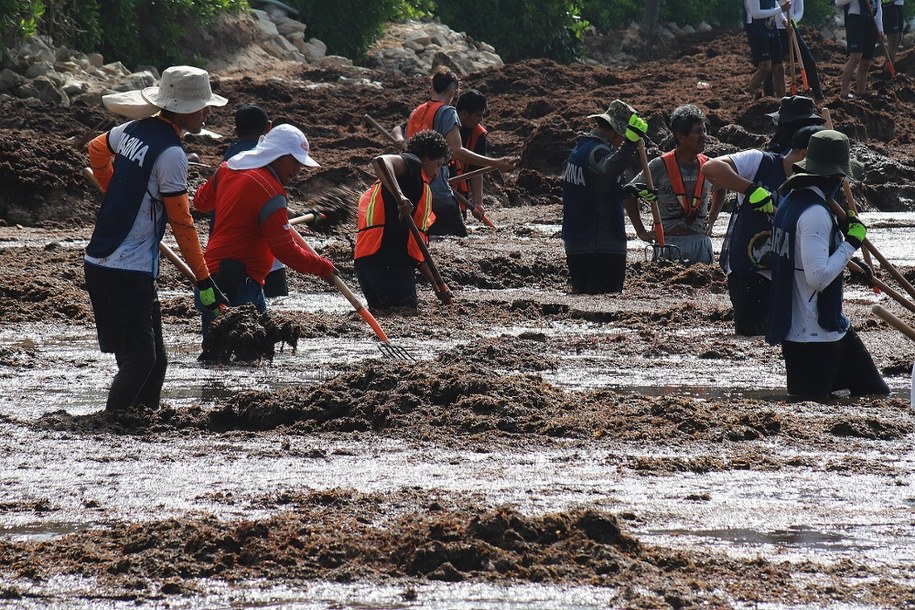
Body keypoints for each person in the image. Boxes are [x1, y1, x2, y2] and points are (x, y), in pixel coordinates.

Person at [84, 65, 230, 413]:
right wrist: (204, 278)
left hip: (112, 264)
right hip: (123, 269)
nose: (208, 112)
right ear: (182, 108)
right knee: (140, 360)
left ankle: (143, 425)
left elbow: (95, 149)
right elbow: (182, 224)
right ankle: (112, 426)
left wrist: (114, 190)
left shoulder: (131, 130)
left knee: (156, 362)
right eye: (203, 105)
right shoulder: (172, 155)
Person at [766, 129, 889, 398]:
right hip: (811, 336)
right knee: (808, 408)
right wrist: (850, 243)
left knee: (875, 394)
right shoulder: (814, 214)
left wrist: (847, 255)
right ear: (834, 177)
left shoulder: (791, 202)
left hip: (832, 329)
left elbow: (809, 255)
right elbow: (818, 277)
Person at [192, 123, 336, 339]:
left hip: (211, 279)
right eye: (295, 161)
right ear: (276, 154)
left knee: (220, 355)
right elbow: (286, 250)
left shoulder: (228, 168)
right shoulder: (271, 190)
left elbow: (201, 202)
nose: (298, 171)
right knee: (242, 361)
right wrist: (323, 267)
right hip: (239, 286)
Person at [702, 125, 822, 335]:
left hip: (785, 273)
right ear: (805, 155)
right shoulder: (760, 161)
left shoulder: (812, 185)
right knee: (752, 337)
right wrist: (751, 189)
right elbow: (710, 168)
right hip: (747, 270)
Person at [391, 66, 515, 237]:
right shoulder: (447, 112)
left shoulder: (416, 112)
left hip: (413, 190)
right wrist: (496, 163)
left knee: (422, 237)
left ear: (431, 89)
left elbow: (399, 129)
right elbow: (456, 151)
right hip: (437, 192)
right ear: (452, 93)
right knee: (459, 239)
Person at [354, 130, 452, 311]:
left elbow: (416, 249)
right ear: (426, 157)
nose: (437, 173)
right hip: (388, 262)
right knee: (402, 315)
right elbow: (380, 161)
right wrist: (401, 197)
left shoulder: (417, 185)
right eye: (438, 165)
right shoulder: (414, 164)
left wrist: (438, 286)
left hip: (368, 263)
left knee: (389, 317)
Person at [560, 99, 649, 294]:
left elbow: (597, 188)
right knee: (604, 310)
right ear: (617, 132)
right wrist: (630, 144)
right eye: (623, 137)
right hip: (600, 245)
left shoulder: (579, 149)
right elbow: (609, 169)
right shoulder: (599, 150)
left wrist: (628, 190)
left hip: (577, 244)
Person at [625, 104, 724, 265]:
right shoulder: (659, 165)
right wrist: (641, 231)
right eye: (698, 131)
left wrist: (712, 218)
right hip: (668, 243)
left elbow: (721, 189)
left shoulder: (709, 166)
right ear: (680, 136)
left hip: (700, 243)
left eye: (704, 130)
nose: (704, 136)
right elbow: (629, 194)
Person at [220, 103, 288, 299]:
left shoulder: (229, 159)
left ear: (235, 130)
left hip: (225, 252)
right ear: (268, 128)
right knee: (273, 303)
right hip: (259, 250)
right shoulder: (265, 157)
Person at [765, 0, 825, 100]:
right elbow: (773, 6)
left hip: (791, 28)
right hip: (776, 29)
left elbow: (799, 11)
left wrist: (792, 22)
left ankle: (818, 95)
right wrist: (784, 20)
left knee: (809, 61)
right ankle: (768, 96)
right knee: (774, 66)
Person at [450, 89, 491, 225]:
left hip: (459, 197)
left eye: (482, 115)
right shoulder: (445, 122)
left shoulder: (478, 134)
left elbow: (476, 171)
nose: (481, 120)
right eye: (477, 115)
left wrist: (478, 203)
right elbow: (400, 128)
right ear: (463, 113)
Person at [836, 0, 885, 99]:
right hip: (855, 20)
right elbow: (838, 2)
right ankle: (844, 92)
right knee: (855, 56)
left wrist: (880, 29)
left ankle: (860, 93)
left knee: (866, 62)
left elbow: (878, 7)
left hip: (871, 22)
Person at [744, 0, 791, 99]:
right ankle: (747, 94)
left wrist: (783, 20)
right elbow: (756, 14)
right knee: (765, 66)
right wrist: (780, 10)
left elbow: (773, 2)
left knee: (778, 68)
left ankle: (783, 102)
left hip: (771, 28)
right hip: (757, 30)